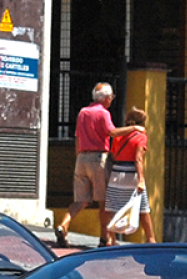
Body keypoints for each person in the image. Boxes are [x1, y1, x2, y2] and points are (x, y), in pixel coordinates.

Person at [54, 83, 116, 248]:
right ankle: (104, 238)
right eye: (111, 96)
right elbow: (111, 132)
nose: (112, 99)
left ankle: (63, 225)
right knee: (104, 202)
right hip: (98, 158)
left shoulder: (83, 112)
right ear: (106, 98)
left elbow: (78, 137)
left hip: (82, 158)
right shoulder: (104, 113)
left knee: (80, 200)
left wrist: (79, 157)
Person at [103, 107, 157, 245]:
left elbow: (114, 154)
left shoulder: (119, 136)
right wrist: (141, 179)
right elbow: (138, 158)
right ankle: (151, 239)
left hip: (116, 173)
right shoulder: (141, 137)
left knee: (111, 207)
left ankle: (111, 239)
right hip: (132, 174)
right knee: (143, 209)